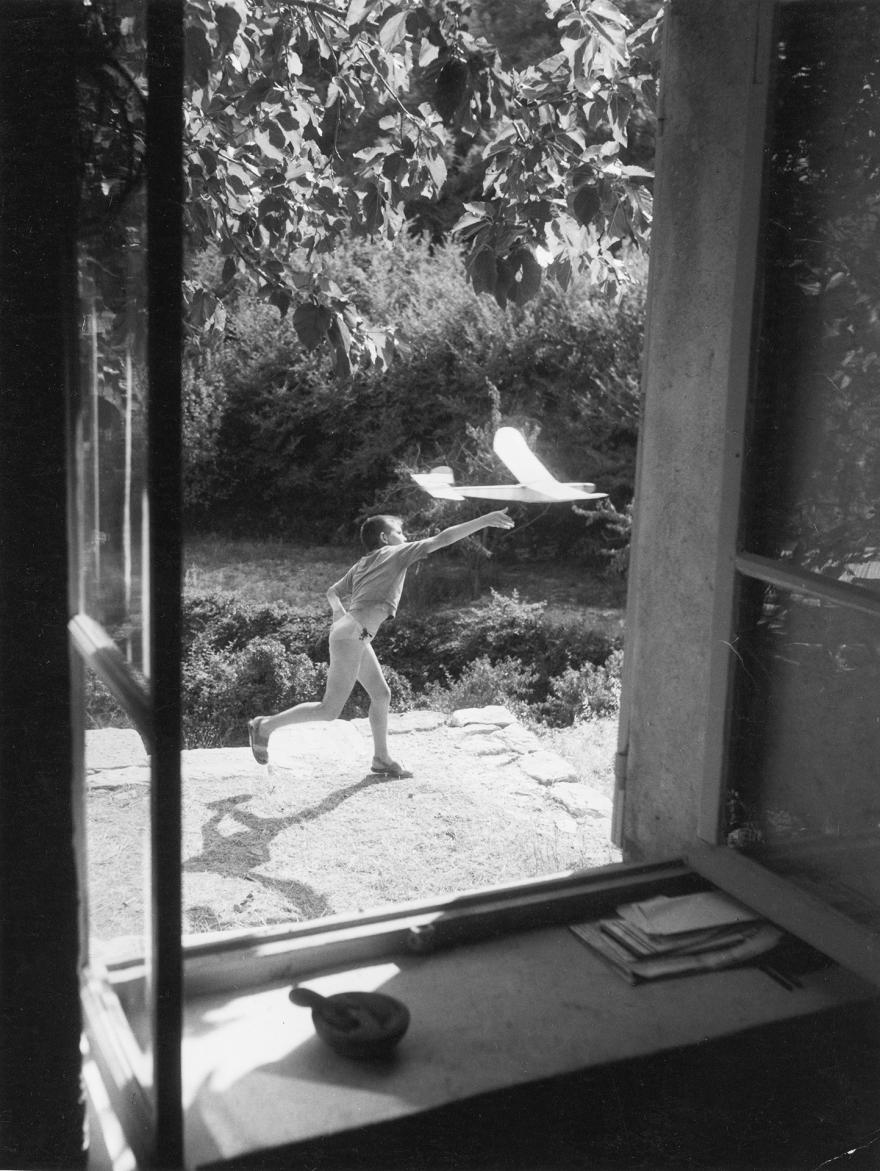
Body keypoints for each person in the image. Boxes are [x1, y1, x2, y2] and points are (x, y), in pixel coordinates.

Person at [247, 509, 515, 774]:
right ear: (385, 539)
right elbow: (442, 539)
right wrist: (484, 520)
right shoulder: (395, 553)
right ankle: (264, 726)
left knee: (381, 694)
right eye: (400, 532)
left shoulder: (364, 563)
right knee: (329, 709)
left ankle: (381, 758)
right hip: (352, 634)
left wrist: (338, 613)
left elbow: (332, 591)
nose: (405, 536)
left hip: (356, 633)